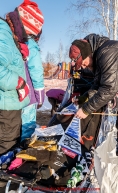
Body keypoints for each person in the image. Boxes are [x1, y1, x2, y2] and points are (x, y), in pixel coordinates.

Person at [69, 33, 118, 156]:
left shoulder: (108, 52)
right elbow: (97, 86)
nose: (83, 66)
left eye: (83, 62)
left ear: (87, 54)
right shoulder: (98, 58)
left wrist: (86, 110)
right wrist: (84, 98)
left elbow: (109, 89)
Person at [6, 0, 45, 141]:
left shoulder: (14, 41)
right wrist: (40, 95)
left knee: (13, 126)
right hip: (28, 95)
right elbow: (36, 71)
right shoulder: (32, 46)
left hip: (14, 94)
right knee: (28, 124)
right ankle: (24, 148)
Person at [0, 16, 29, 156]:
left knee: (11, 144)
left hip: (10, 105)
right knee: (7, 148)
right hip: (6, 108)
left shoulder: (8, 36)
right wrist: (20, 82)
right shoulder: (3, 34)